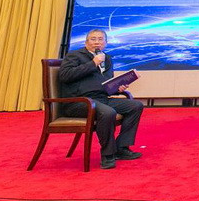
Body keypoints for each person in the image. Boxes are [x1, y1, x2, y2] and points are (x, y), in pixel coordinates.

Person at [59, 29, 144, 170]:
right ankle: (108, 154)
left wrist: (117, 88)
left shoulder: (107, 58)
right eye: (93, 39)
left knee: (135, 106)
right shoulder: (74, 55)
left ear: (106, 43)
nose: (97, 42)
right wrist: (93, 63)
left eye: (100, 39)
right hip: (79, 102)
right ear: (86, 42)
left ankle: (121, 148)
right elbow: (65, 76)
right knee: (108, 112)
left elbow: (104, 84)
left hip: (101, 98)